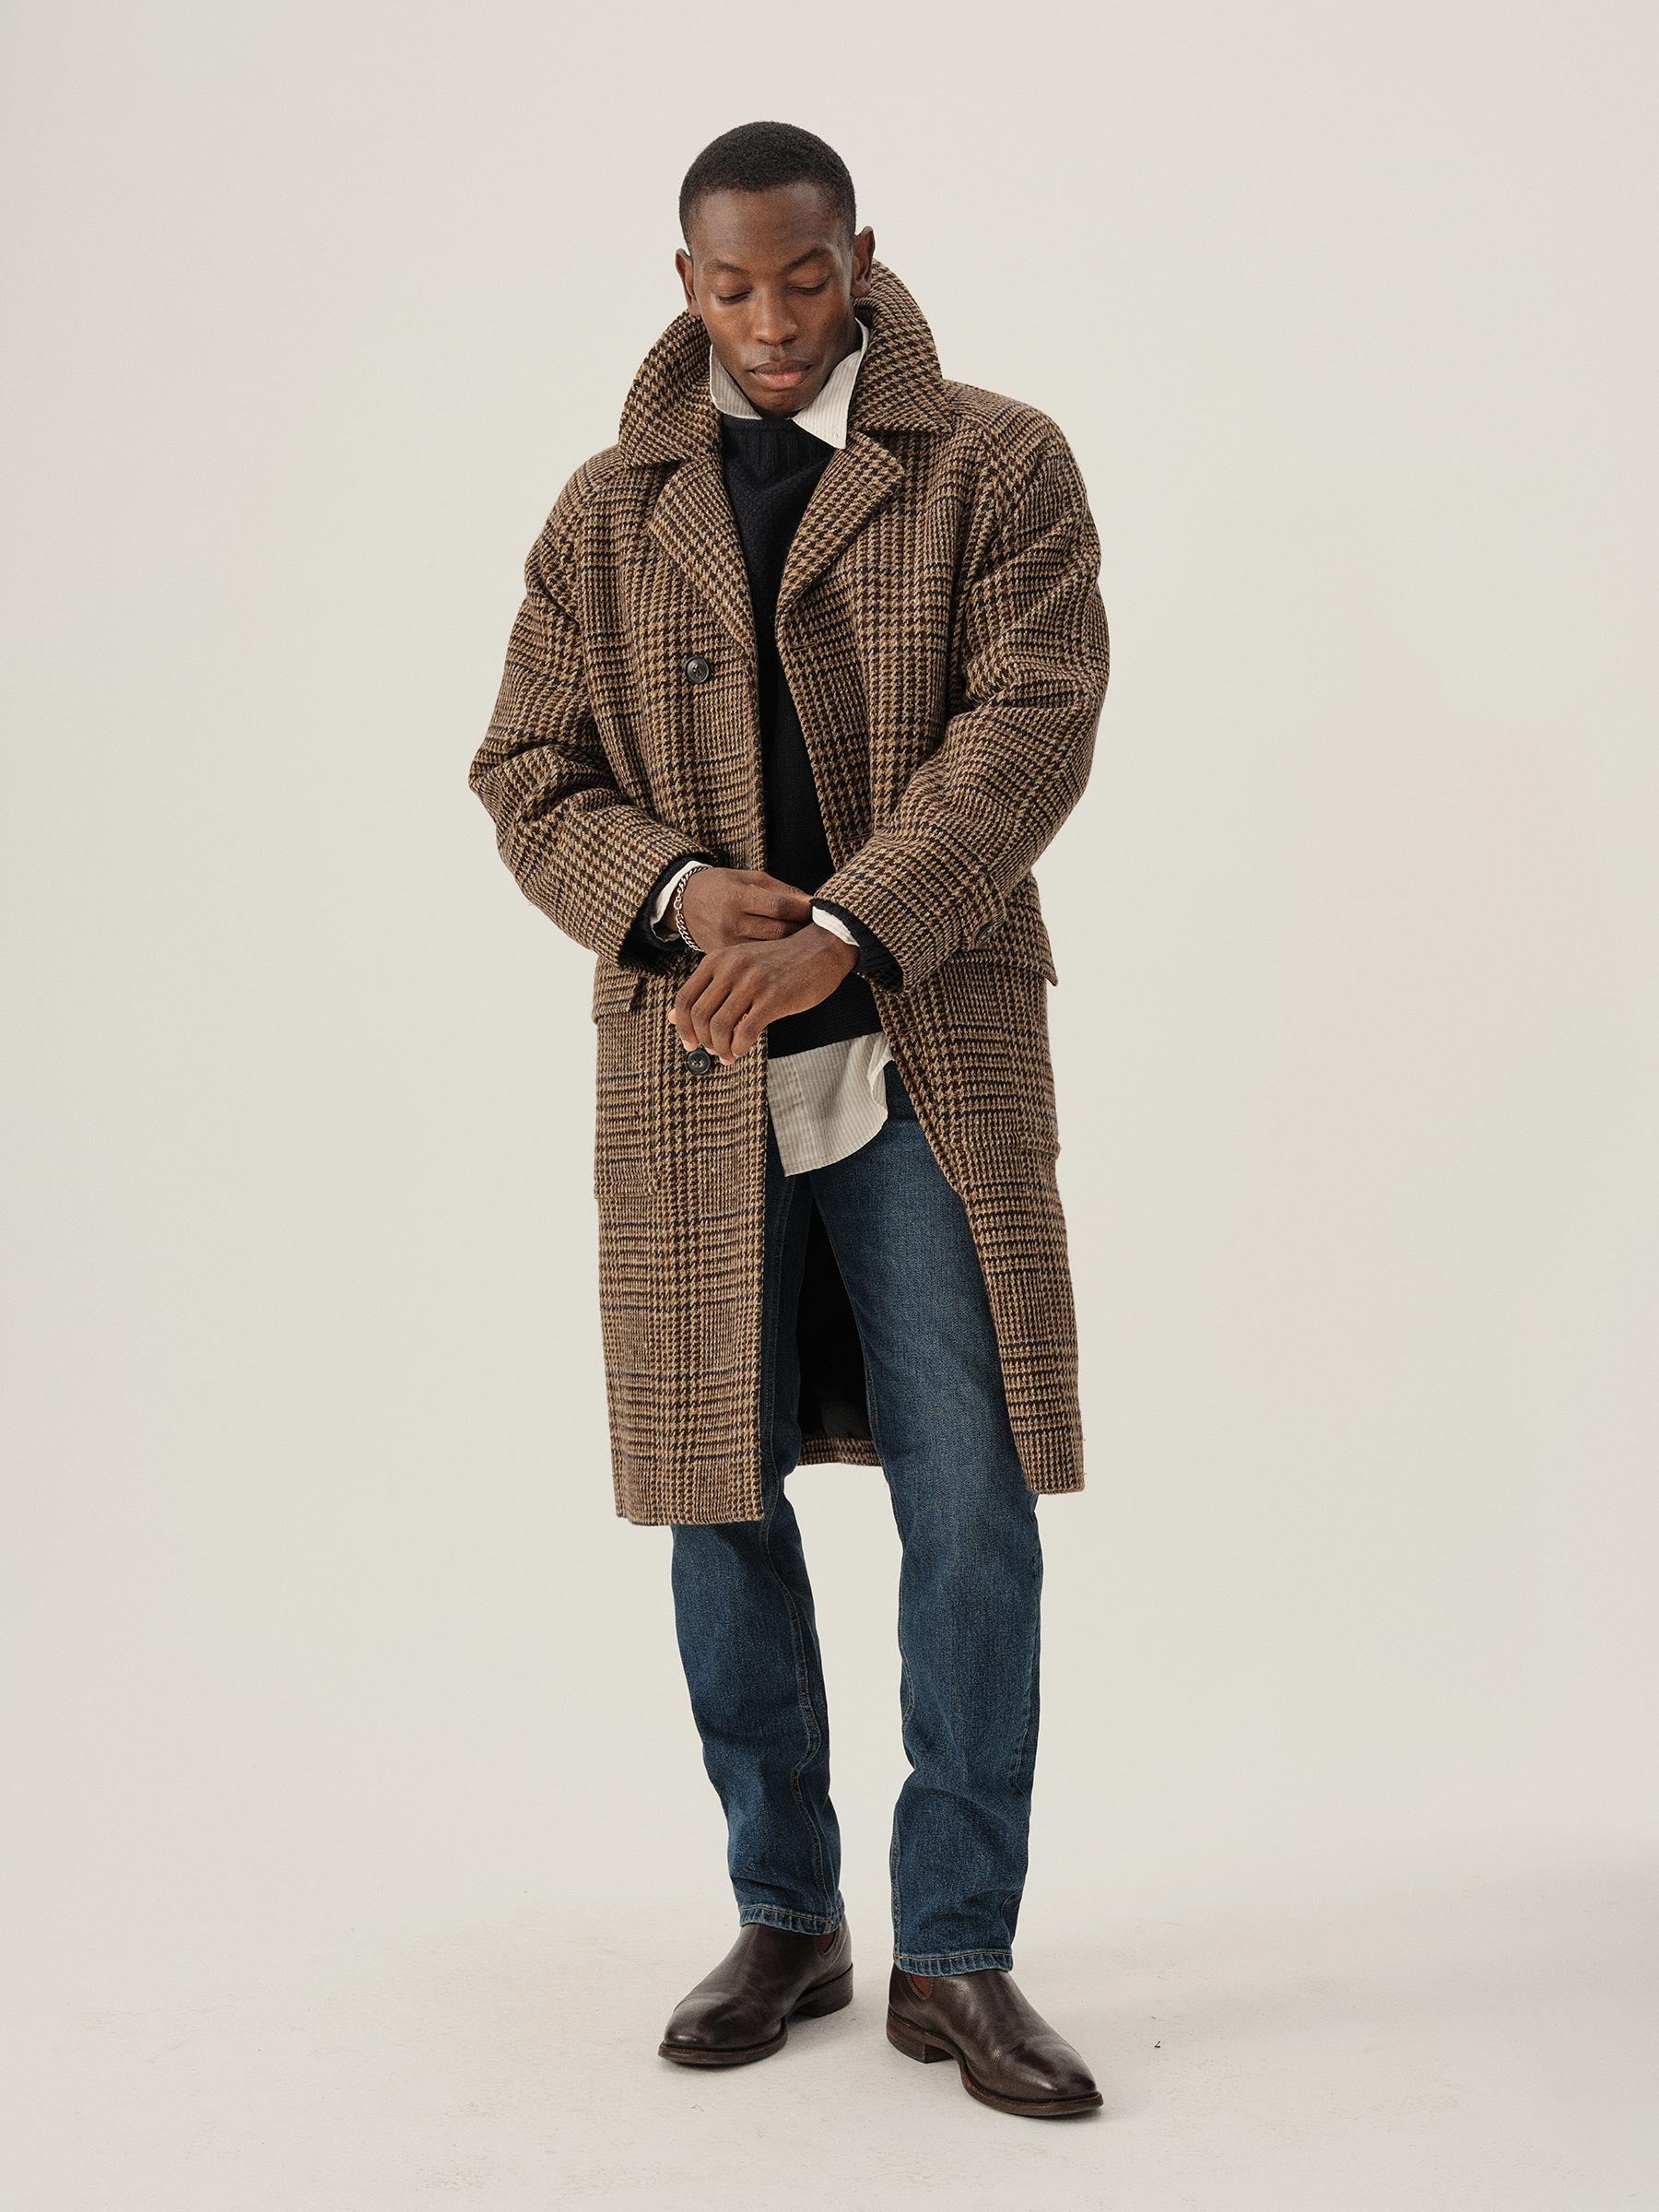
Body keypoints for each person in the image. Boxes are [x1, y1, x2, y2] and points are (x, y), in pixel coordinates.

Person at [468, 119, 1110, 2120]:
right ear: (685, 282)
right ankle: (786, 1915)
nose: (771, 320)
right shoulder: (606, 512)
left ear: (861, 256)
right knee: (715, 1497)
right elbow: (526, 768)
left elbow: (1034, 724)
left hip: (924, 1046)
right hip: (696, 1062)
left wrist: (851, 926)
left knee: (969, 1501)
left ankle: (959, 1950)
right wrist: (673, 893)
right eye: (733, 285)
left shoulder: (996, 463)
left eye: (805, 278)